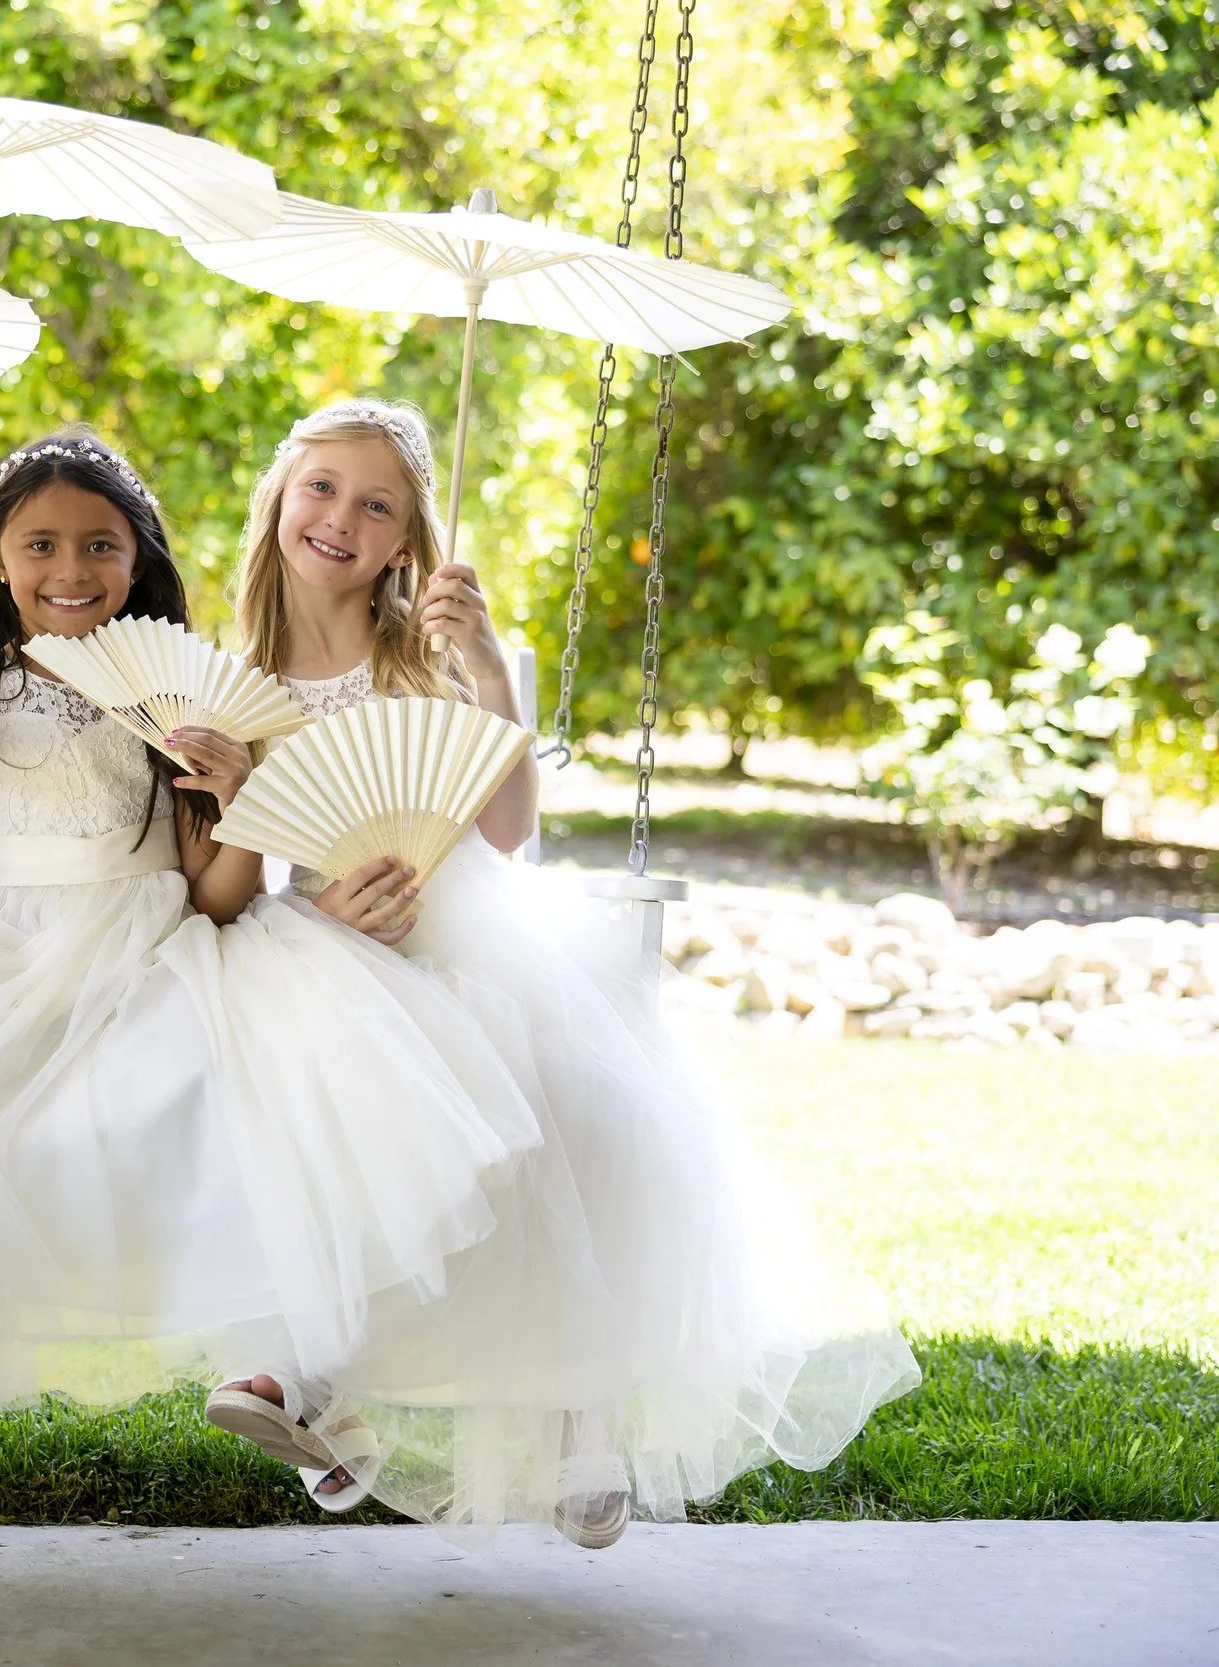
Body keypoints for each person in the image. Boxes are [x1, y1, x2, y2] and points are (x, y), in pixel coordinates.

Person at [206, 398, 920, 1544]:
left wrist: (488, 670)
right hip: (332, 928)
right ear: (279, 500)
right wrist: (318, 889)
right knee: (330, 1075)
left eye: (376, 504)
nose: (340, 517)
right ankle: (314, 1368)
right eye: (322, 488)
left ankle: (568, 1408)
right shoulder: (235, 678)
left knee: (546, 1092)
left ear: (406, 540)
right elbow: (250, 854)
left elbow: (501, 831)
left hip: (467, 919)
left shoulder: (426, 653)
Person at [0, 427, 528, 1440]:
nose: (70, 569)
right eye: (37, 545)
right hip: (25, 950)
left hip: (165, 943)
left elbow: (216, 894)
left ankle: (313, 1374)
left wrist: (243, 798)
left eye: (100, 546)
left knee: (237, 1082)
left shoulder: (184, 699)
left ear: (139, 558)